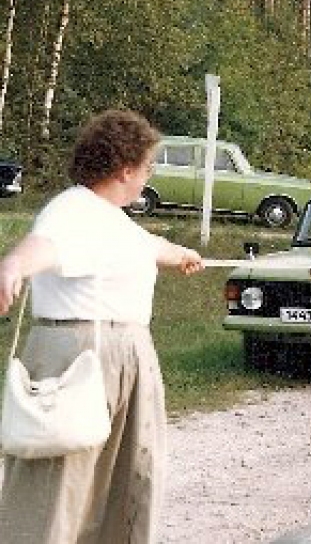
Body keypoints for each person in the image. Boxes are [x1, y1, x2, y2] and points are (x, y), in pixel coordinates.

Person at [0, 110, 204, 544]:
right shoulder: (70, 211)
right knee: (58, 490)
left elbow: (148, 246)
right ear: (125, 168)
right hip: (81, 357)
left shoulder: (112, 218)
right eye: (147, 166)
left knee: (128, 485)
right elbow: (43, 247)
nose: (148, 176)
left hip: (124, 354)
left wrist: (181, 253)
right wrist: (13, 266)